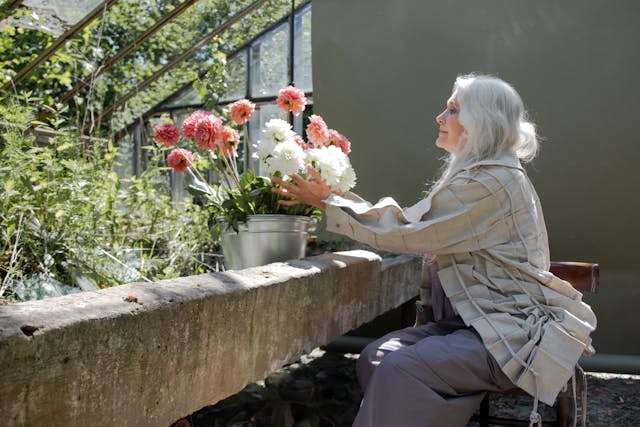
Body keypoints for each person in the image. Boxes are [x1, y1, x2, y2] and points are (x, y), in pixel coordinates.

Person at [273, 74, 597, 427]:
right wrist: (333, 200)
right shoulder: (483, 176)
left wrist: (330, 202)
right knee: (375, 358)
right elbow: (414, 224)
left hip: (507, 334)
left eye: (453, 110)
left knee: (399, 369)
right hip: (470, 326)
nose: (440, 117)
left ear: (481, 122)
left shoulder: (492, 184)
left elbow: (408, 231)